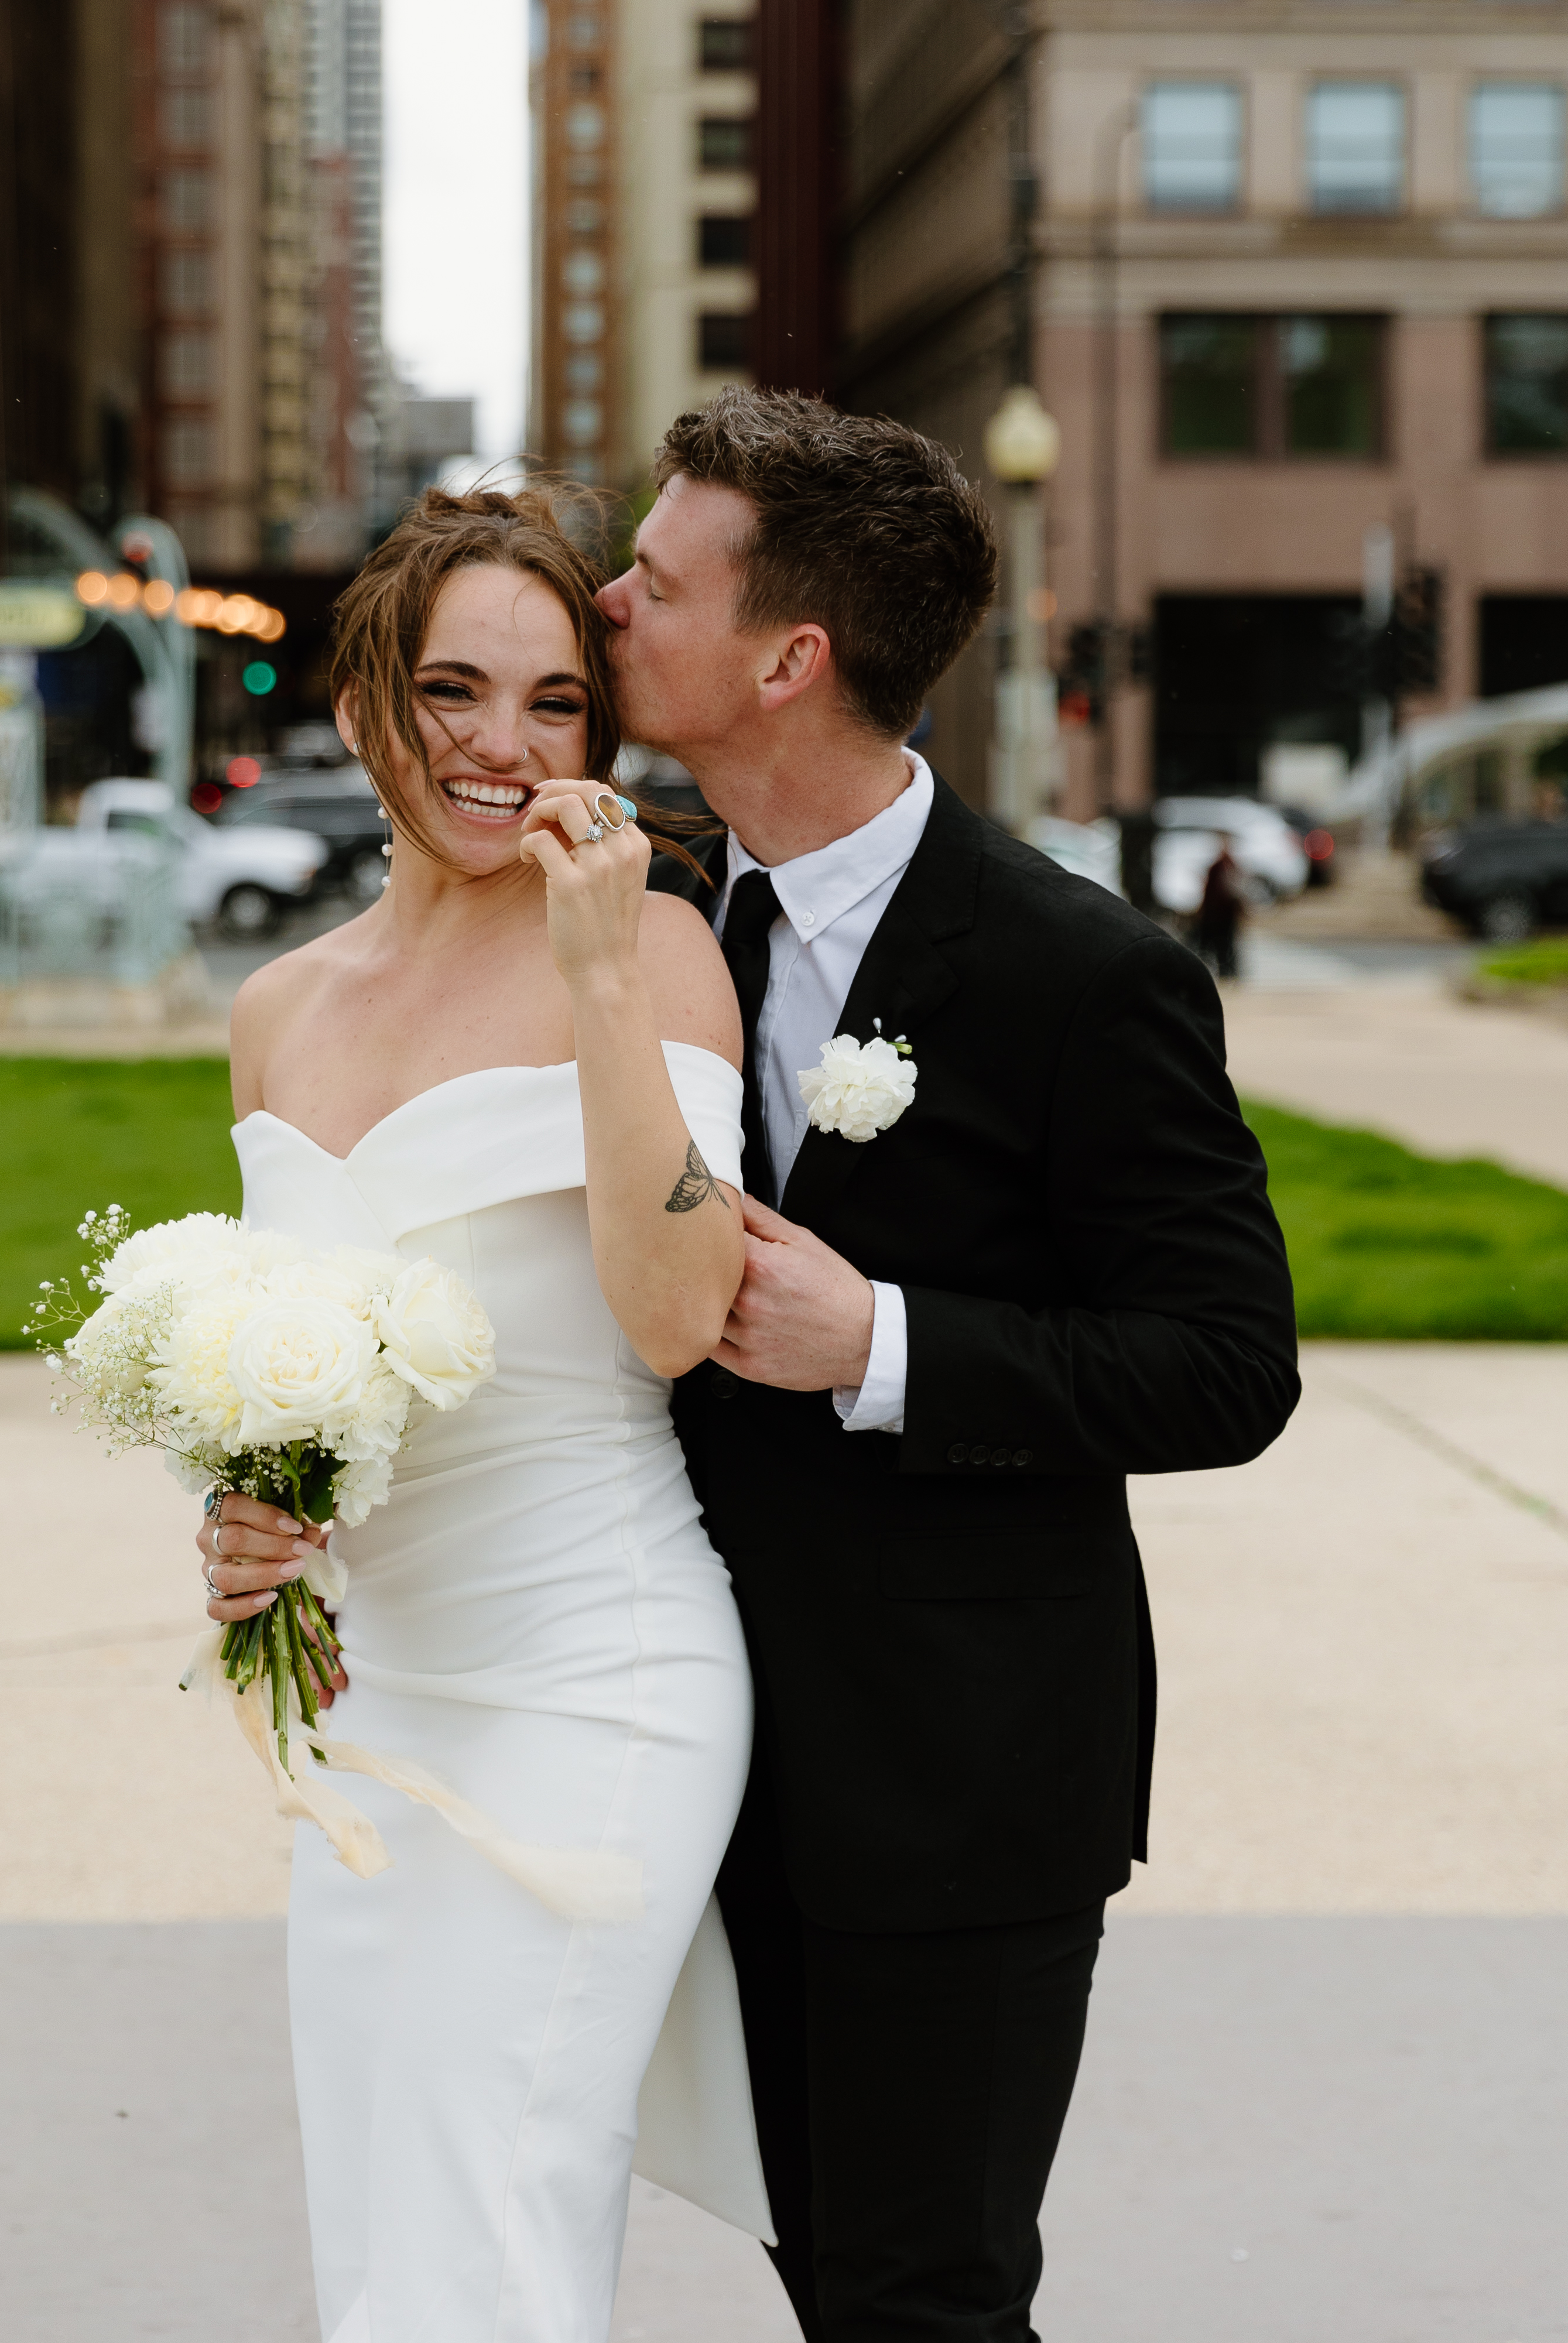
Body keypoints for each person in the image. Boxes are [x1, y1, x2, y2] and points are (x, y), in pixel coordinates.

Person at [209, 390, 1300, 2342]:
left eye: (653, 575)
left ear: (784, 654)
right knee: (772, 2263)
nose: (609, 601)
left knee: (910, 2296)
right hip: (666, 1731)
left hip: (941, 1764)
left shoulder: (1072, 971)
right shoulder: (654, 887)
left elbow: (1223, 1362)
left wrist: (873, 1339)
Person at [203, 487, 768, 2343]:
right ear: (366, 702)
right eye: (452, 689)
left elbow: (682, 1319)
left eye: (551, 706)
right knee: (391, 2233)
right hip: (375, 1709)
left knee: (489, 2208)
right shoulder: (281, 1011)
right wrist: (256, 1509)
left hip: (594, 1682)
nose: (500, 748)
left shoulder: (651, 956)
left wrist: (601, 977)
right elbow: (306, 1344)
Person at [1196, 837, 1246, 979]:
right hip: (1216, 915)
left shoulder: (1230, 867)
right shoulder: (1219, 867)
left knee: (1225, 947)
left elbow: (1237, 892)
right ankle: (1224, 972)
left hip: (1224, 915)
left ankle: (1228, 972)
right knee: (1217, 947)